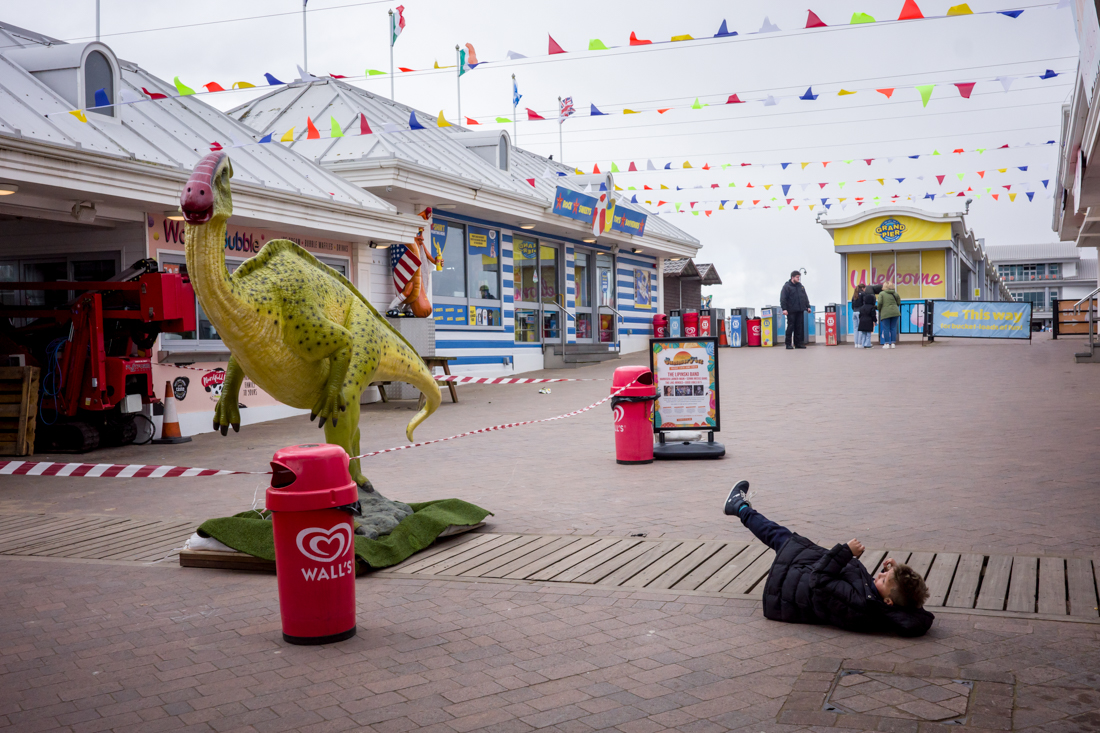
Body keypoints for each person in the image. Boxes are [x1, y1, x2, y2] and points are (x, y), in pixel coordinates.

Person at [723, 481, 934, 637]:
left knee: (776, 535)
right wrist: (896, 574)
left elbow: (819, 581)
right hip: (806, 571)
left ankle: (739, 507)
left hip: (793, 582)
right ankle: (741, 507)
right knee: (777, 534)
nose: (880, 575)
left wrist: (845, 552)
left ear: (889, 601)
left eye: (884, 579)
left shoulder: (861, 605)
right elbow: (915, 610)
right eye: (885, 573)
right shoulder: (883, 605)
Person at [780, 270, 810, 350]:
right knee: (790, 327)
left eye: (799, 277)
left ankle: (798, 344)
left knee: (799, 327)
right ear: (792, 277)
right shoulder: (787, 286)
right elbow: (783, 299)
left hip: (800, 310)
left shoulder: (800, 286)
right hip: (791, 310)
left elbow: (805, 297)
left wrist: (808, 306)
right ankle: (788, 344)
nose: (798, 279)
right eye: (797, 277)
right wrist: (784, 309)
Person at [877, 280, 902, 349]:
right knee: (893, 328)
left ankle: (887, 343)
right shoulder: (895, 293)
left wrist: (879, 309)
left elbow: (879, 303)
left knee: (886, 328)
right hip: (895, 312)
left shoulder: (881, 294)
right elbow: (898, 302)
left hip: (885, 312)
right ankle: (893, 343)